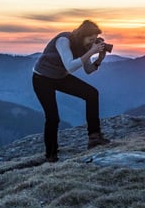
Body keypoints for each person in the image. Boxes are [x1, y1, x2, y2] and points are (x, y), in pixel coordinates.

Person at [32, 20, 111, 162]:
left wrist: (99, 59)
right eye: (90, 39)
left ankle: (94, 137)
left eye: (94, 40)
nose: (92, 43)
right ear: (82, 35)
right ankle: (51, 155)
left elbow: (88, 70)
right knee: (53, 118)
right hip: (42, 78)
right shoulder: (64, 40)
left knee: (92, 94)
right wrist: (91, 51)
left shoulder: (84, 47)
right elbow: (70, 66)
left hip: (60, 77)